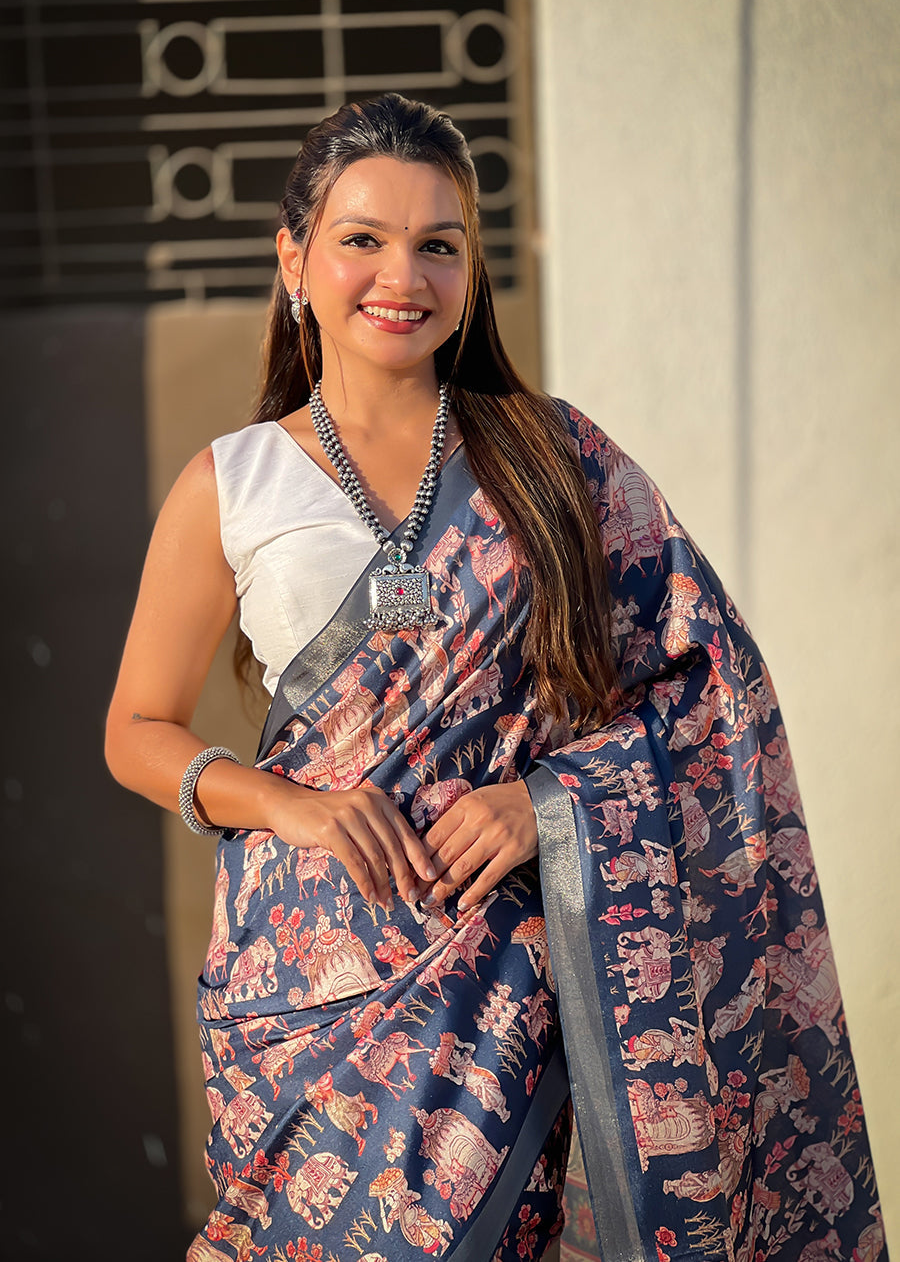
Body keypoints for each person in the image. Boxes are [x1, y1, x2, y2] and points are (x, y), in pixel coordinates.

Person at [106, 94, 884, 1262]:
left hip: (513, 978)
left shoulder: (553, 455)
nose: (399, 274)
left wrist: (545, 804)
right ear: (295, 260)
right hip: (306, 986)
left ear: (470, 268)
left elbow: (711, 684)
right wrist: (292, 805)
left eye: (438, 243)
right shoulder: (236, 482)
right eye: (362, 238)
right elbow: (136, 726)